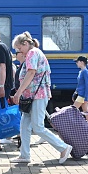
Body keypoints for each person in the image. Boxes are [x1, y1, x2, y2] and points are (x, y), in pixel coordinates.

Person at [11, 31, 72, 164]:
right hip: (33, 96)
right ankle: (24, 155)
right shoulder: (35, 53)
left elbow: (31, 72)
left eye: (20, 48)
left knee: (37, 126)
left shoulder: (32, 53)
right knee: (24, 125)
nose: (20, 52)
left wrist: (19, 92)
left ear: (26, 43)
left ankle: (63, 147)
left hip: (36, 96)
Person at [73, 55, 88, 125]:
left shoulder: (85, 72)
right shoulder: (81, 71)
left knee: (73, 110)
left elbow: (87, 85)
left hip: (82, 95)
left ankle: (74, 126)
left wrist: (86, 97)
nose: (76, 63)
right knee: (86, 112)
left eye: (77, 62)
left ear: (81, 62)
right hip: (81, 94)